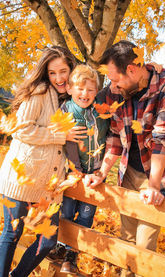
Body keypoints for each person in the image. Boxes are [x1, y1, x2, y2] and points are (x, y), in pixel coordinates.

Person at [84, 40, 165, 276]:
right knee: (126, 238)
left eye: (115, 78)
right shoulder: (116, 91)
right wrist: (102, 172)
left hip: (158, 176)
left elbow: (162, 139)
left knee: (144, 245)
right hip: (129, 171)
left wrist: (153, 186)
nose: (112, 85)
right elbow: (115, 138)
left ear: (131, 69)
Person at [0, 46, 79, 277]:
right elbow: (21, 129)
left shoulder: (70, 98)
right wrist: (58, 136)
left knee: (47, 241)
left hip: (48, 186)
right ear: (46, 73)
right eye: (53, 73)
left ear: (71, 69)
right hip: (21, 178)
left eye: (63, 71)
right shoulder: (41, 90)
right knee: (12, 234)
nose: (59, 78)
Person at [54, 64, 110, 274]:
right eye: (80, 88)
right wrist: (76, 170)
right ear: (69, 88)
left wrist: (100, 169)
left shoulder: (100, 112)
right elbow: (66, 144)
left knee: (86, 215)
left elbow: (108, 136)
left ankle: (72, 254)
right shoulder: (65, 110)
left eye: (90, 89)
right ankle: (61, 247)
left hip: (94, 174)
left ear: (96, 91)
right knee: (67, 211)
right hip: (71, 174)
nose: (84, 94)